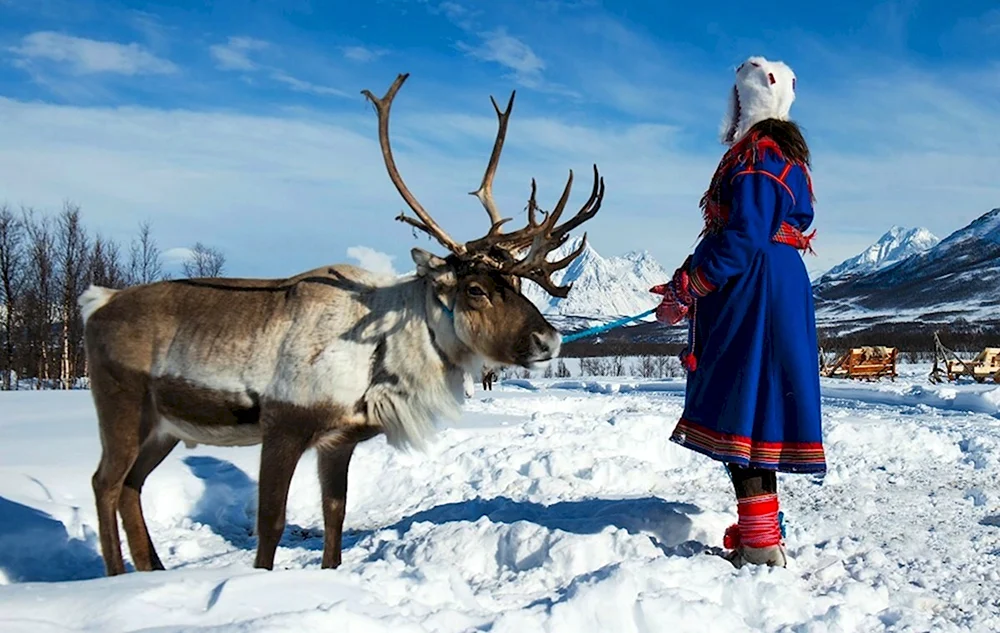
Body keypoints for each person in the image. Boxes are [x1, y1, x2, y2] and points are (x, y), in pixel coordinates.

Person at [652, 56, 825, 568]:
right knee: (755, 411)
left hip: (753, 290)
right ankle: (762, 533)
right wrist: (689, 275)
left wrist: (690, 286)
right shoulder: (786, 158)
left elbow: (742, 237)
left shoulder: (755, 158)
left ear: (743, 103)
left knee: (742, 409)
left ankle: (761, 544)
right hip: (774, 283)